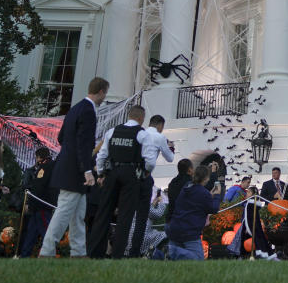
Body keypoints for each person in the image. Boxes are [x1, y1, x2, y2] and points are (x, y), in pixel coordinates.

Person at [39, 76, 109, 258]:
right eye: (105, 94)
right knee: (63, 213)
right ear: (101, 92)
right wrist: (87, 170)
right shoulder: (88, 111)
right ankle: (46, 252)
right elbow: (84, 143)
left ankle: (78, 253)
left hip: (69, 168)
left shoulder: (75, 108)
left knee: (77, 216)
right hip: (75, 172)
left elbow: (62, 138)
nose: (104, 98)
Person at [89, 104, 148, 259]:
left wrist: (101, 173)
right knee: (125, 217)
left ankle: (94, 253)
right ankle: (117, 255)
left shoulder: (112, 131)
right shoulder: (142, 134)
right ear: (141, 118)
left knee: (103, 214)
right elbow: (149, 158)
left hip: (112, 172)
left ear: (129, 115)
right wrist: (145, 172)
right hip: (131, 173)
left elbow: (102, 155)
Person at [127, 113, 174, 257]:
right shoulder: (159, 137)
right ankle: (143, 252)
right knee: (143, 217)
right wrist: (170, 147)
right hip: (145, 175)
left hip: (130, 176)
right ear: (160, 125)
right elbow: (170, 158)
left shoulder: (140, 134)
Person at [164, 164, 222, 260]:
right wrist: (216, 195)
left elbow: (194, 201)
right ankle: (170, 250)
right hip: (189, 230)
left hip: (175, 226)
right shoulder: (203, 193)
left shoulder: (186, 187)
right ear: (206, 178)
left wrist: (209, 195)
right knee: (198, 258)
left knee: (175, 259)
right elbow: (213, 209)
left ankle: (158, 253)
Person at [18, 147, 56, 257]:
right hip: (42, 205)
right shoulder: (52, 166)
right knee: (32, 232)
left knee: (45, 231)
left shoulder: (44, 168)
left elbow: (38, 187)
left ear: (39, 157)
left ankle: (48, 254)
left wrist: (30, 204)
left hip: (41, 205)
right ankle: (25, 254)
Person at [241, 186, 279, 260]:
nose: (247, 193)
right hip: (252, 226)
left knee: (259, 238)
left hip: (253, 226)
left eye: (249, 192)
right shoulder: (250, 203)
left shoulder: (251, 204)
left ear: (253, 194)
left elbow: (250, 217)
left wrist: (246, 227)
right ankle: (267, 254)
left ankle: (264, 254)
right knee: (260, 238)